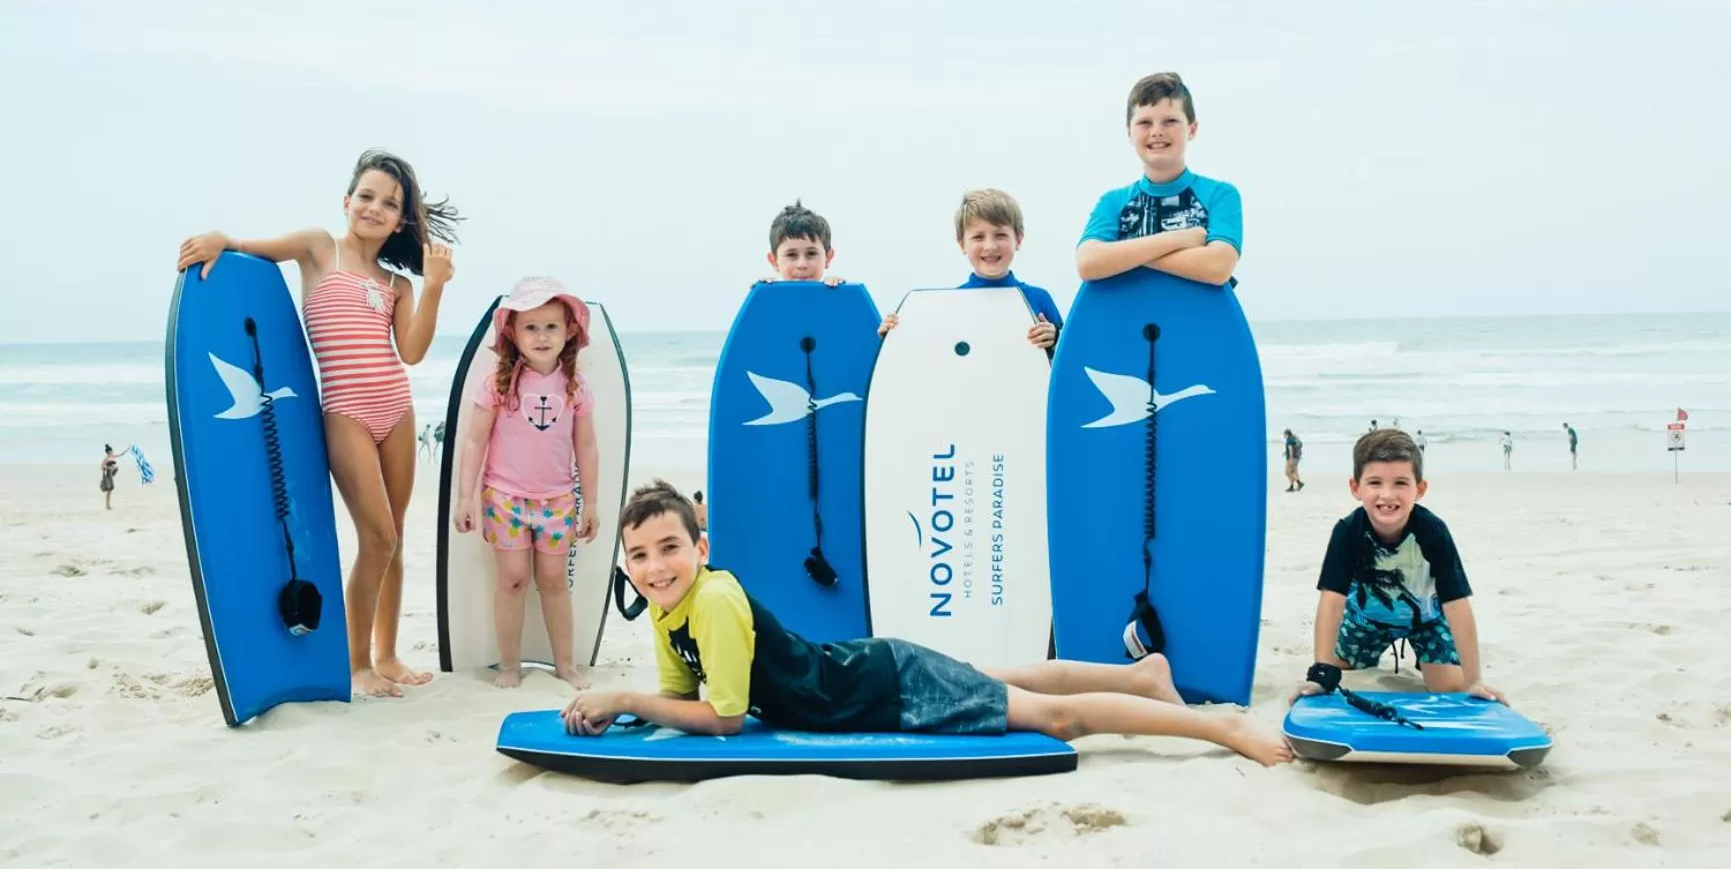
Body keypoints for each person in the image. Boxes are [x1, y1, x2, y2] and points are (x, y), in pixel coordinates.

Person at [558, 482, 1293, 767]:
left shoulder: (714, 598)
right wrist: (629, 706)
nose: (656, 566)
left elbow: (717, 718)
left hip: (884, 692)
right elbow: (685, 697)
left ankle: (1221, 728)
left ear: (701, 546)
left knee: (1056, 718)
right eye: (641, 555)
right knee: (996, 676)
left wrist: (619, 698)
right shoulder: (668, 607)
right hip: (863, 671)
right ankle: (1140, 674)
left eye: (670, 548)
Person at [176, 148, 461, 699]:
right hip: (346, 411)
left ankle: (388, 654)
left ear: (401, 220)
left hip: (395, 409)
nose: (374, 208)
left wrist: (435, 286)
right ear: (347, 199)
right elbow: (249, 251)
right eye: (367, 195)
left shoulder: (396, 284)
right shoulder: (318, 248)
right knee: (376, 535)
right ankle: (356, 665)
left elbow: (412, 351)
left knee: (395, 538)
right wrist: (221, 241)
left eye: (389, 203)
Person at [452, 277, 600, 690]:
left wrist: (590, 503)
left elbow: (586, 446)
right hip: (504, 498)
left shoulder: (575, 386)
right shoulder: (498, 384)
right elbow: (473, 439)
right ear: (512, 334)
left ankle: (566, 665)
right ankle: (509, 665)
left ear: (569, 331)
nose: (540, 336)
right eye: (530, 327)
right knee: (513, 579)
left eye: (550, 326)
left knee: (554, 581)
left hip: (556, 499)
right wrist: (465, 496)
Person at [1294, 429, 1504, 705]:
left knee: (1451, 688)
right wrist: (1321, 672)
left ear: (1420, 488)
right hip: (1365, 621)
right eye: (1375, 482)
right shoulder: (1348, 532)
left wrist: (1474, 679)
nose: (1387, 494)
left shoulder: (1433, 531)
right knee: (1336, 669)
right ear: (1355, 488)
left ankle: (1427, 661)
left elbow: (1456, 603)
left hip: (1426, 622)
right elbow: (1332, 601)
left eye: (1401, 483)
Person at [1075, 72, 1242, 287]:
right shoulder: (1113, 202)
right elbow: (1088, 264)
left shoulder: (1220, 194)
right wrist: (1181, 240)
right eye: (1145, 122)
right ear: (1129, 132)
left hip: (1199, 320)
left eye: (1170, 121)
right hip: (1131, 319)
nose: (1157, 131)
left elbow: (1218, 267)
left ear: (1192, 129)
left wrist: (1122, 255)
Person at [878, 188, 1064, 354]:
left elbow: (1067, 358)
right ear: (962, 244)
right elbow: (929, 354)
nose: (990, 246)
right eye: (978, 237)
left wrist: (1055, 337)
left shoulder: (1039, 298)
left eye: (1000, 235)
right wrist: (894, 335)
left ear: (1019, 239)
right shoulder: (947, 305)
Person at [763, 201, 844, 286]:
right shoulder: (766, 295)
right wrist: (762, 294)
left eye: (811, 253)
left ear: (828, 257)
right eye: (791, 254)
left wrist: (839, 293)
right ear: (774, 261)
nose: (802, 265)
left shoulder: (838, 295)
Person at [99, 444, 120, 511]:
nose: (112, 452)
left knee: (110, 491)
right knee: (109, 491)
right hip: (107, 476)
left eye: (112, 451)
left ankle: (108, 506)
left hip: (111, 475)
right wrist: (109, 467)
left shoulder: (112, 458)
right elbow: (102, 467)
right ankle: (107, 506)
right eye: (111, 451)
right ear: (108, 452)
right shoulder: (106, 459)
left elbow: (120, 454)